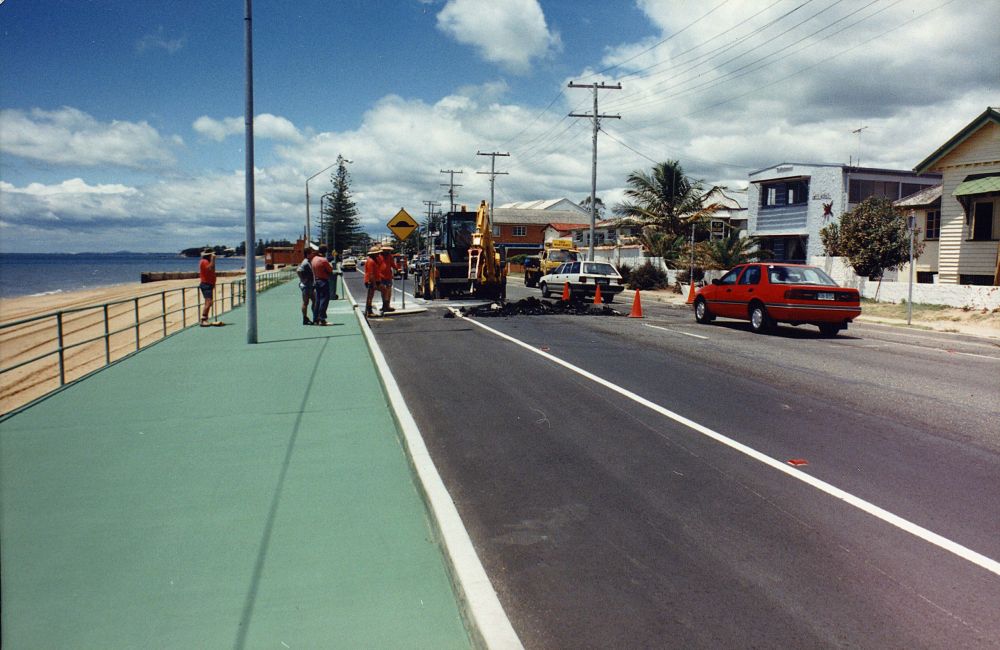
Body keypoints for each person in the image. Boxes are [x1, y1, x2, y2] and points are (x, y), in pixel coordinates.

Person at [311, 244, 334, 325]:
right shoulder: (323, 260)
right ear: (325, 251)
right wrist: (330, 263)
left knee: (317, 300)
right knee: (324, 300)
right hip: (323, 281)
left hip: (316, 281)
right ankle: (322, 319)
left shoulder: (314, 259)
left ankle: (315, 318)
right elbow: (330, 270)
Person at [296, 243, 317, 325]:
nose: (313, 254)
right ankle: (305, 318)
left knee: (314, 301)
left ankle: (313, 317)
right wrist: (303, 280)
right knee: (306, 302)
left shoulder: (308, 261)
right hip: (307, 286)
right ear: (308, 254)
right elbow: (298, 271)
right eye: (311, 252)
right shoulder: (305, 262)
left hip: (309, 285)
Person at [378, 245, 399, 313]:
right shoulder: (379, 257)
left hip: (388, 276)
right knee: (383, 292)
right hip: (381, 276)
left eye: (388, 250)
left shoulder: (390, 256)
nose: (387, 251)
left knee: (389, 291)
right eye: (385, 250)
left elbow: (393, 264)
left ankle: (387, 305)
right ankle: (384, 305)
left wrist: (397, 269)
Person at [199, 249, 216, 326]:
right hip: (206, 284)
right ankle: (203, 320)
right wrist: (213, 260)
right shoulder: (204, 261)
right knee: (208, 302)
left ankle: (205, 319)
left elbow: (212, 270)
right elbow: (210, 268)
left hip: (209, 284)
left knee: (208, 302)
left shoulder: (207, 262)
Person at [363, 246, 381, 317]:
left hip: (374, 280)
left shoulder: (374, 260)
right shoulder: (371, 261)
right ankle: (369, 311)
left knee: (371, 296)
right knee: (370, 296)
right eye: (377, 253)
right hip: (370, 281)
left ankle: (369, 311)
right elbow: (371, 274)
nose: (378, 255)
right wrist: (374, 284)